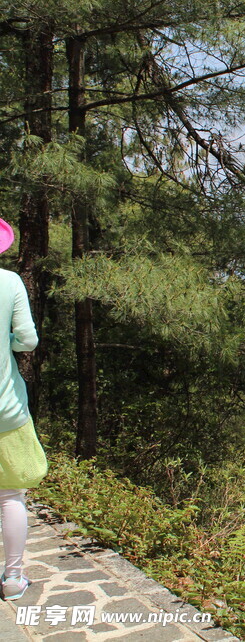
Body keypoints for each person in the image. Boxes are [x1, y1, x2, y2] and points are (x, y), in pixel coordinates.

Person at [0, 217, 47, 601]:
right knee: (10, 496)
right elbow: (27, 340)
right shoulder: (10, 282)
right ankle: (13, 579)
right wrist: (9, 341)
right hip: (5, 409)